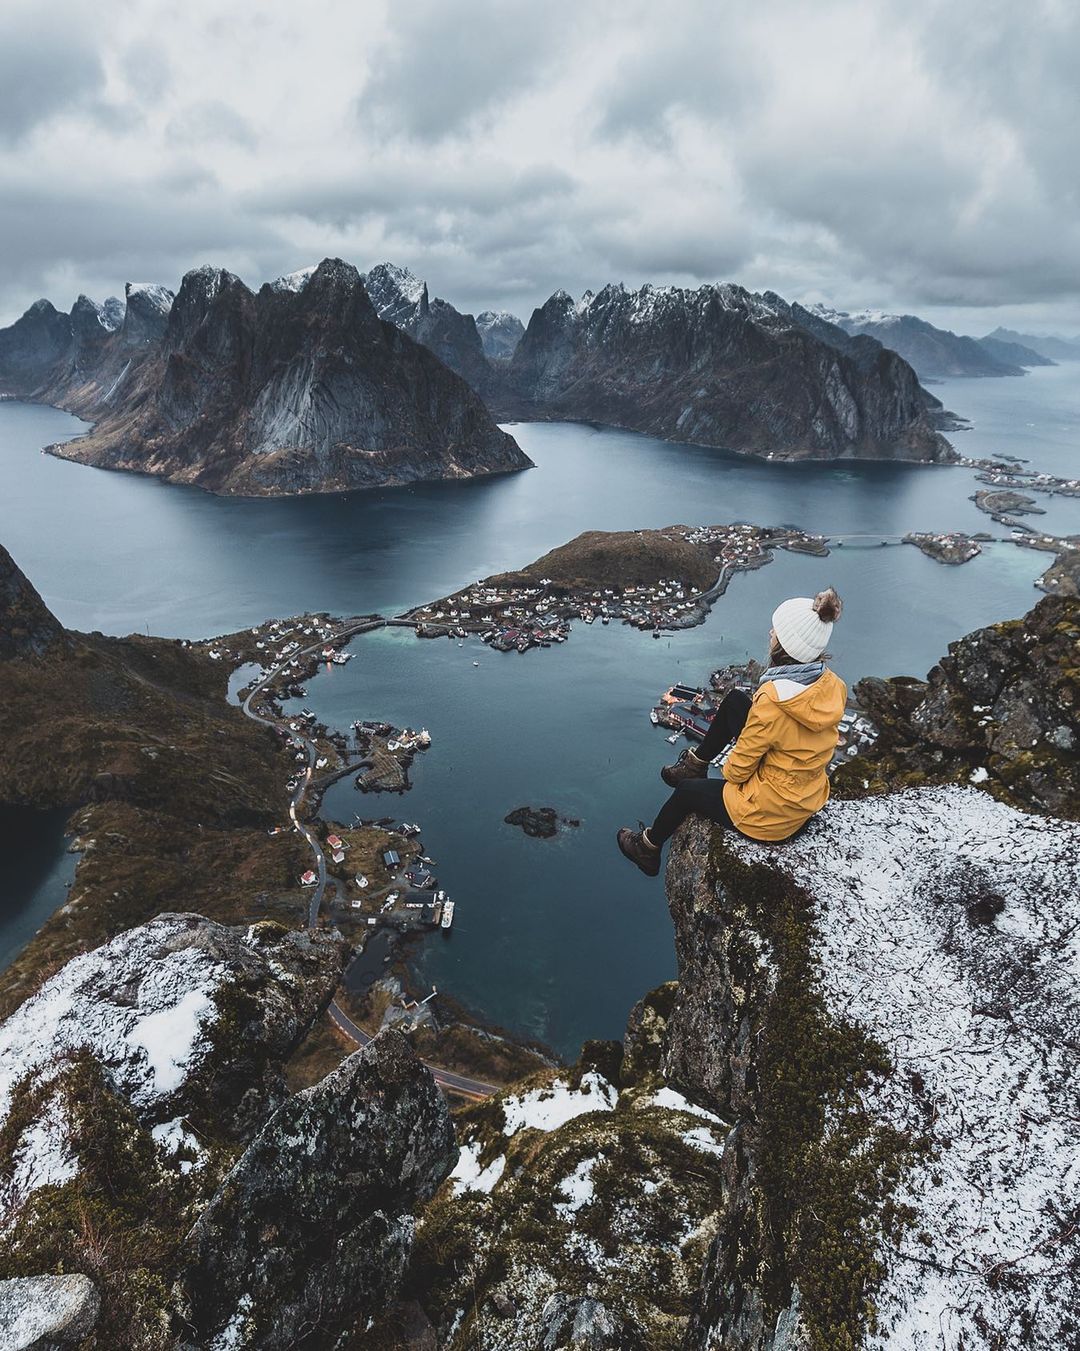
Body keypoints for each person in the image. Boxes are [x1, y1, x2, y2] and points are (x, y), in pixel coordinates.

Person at [617, 588, 846, 876]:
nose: (770, 632)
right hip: (804, 797)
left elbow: (735, 773)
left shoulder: (774, 699)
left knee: (687, 793)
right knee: (736, 700)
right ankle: (694, 765)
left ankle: (647, 848)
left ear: (784, 644)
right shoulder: (832, 684)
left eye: (776, 630)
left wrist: (745, 753)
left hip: (771, 816)